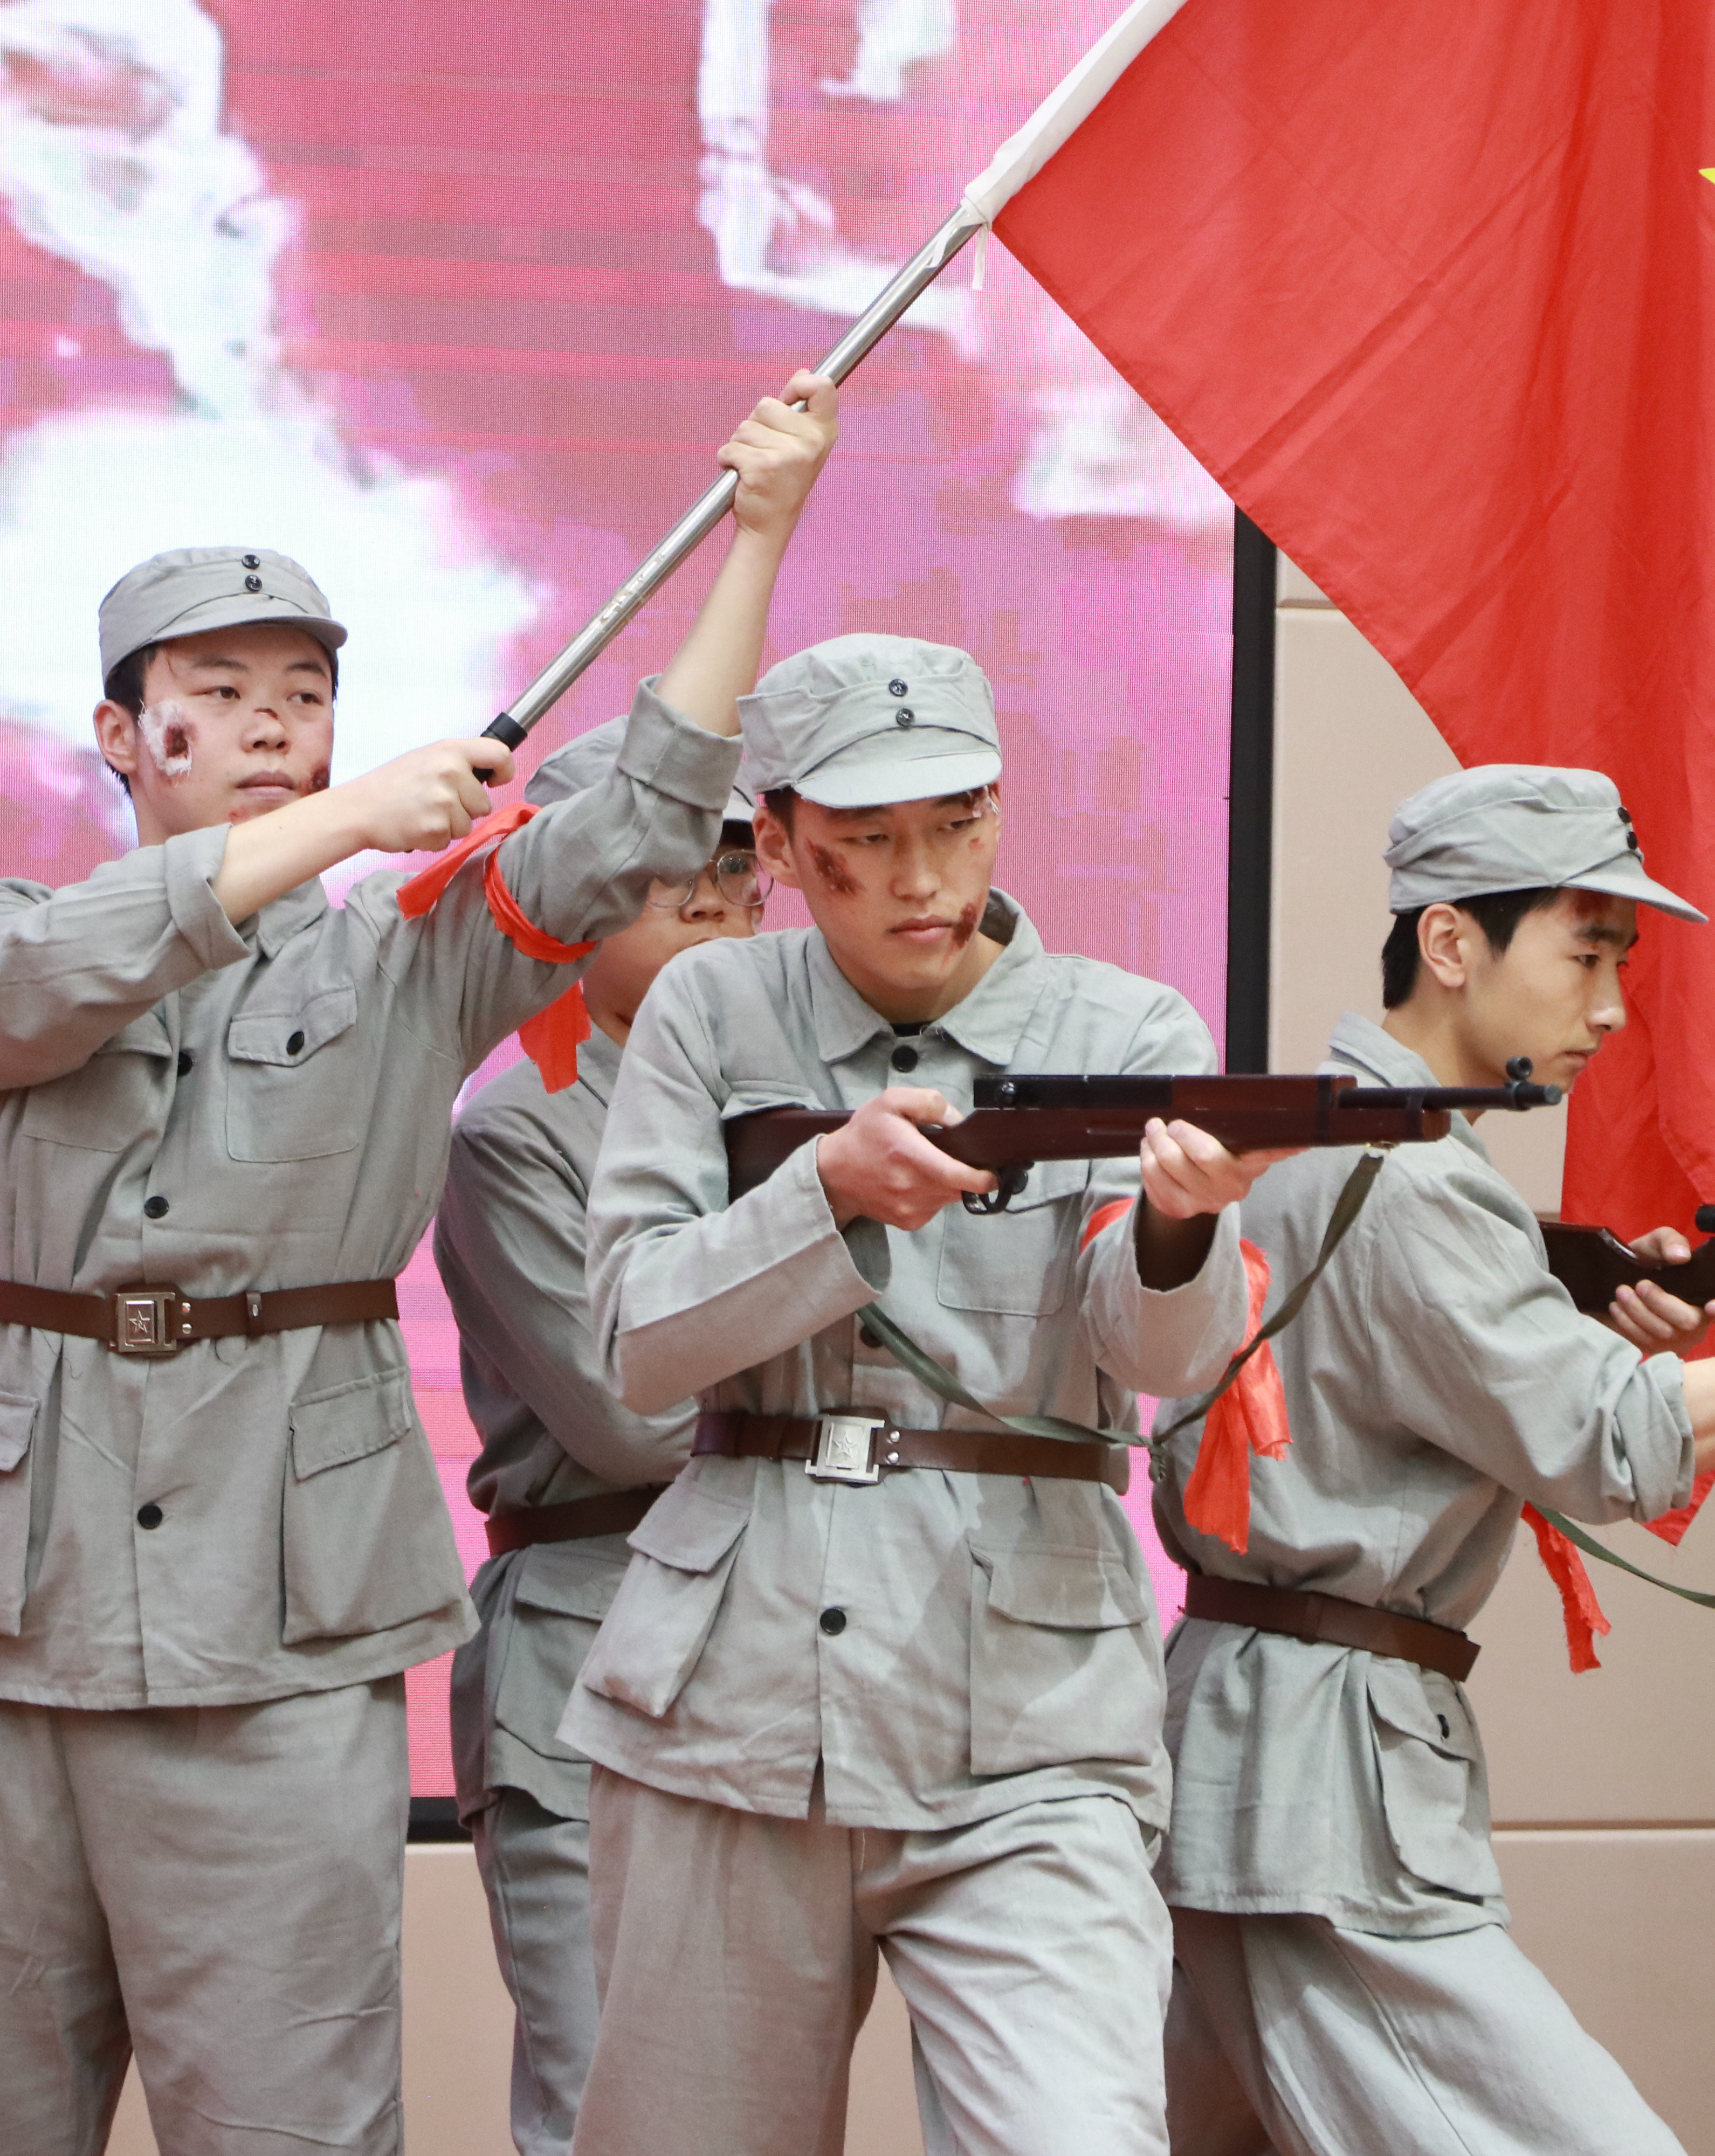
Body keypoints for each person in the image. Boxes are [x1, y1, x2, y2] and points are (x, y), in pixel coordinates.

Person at [0, 372, 838, 2156]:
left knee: (292, 2114)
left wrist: (757, 535)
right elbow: (51, 988)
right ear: (119, 733)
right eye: (220, 692)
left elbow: (639, 817)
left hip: (285, 1626)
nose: (271, 724)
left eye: (305, 697)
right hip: (9, 1621)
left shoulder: (407, 959)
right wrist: (357, 814)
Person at [1154, 764, 1715, 2156]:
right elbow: (1624, 1445)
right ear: (1450, 942)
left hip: (1273, 1757)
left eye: (1620, 962)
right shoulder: (1416, 1182)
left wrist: (1571, 1317)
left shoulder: (1336, 1137)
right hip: (1324, 1793)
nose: (1614, 1008)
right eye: (1586, 954)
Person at [559, 633, 1285, 2156]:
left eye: (957, 825)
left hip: (1033, 1723)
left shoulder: (1128, 1031)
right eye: (868, 840)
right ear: (777, 842)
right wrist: (823, 1193)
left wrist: (1181, 1225)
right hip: (726, 1705)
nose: (922, 878)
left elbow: (1162, 1366)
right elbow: (633, 1344)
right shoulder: (708, 1014)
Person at [431, 734, 768, 2156]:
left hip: (777, 1663)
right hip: (591, 1646)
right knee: (610, 2119)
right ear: (568, 901)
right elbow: (635, 1417)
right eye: (663, 866)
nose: (712, 897)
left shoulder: (804, 1112)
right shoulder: (517, 1127)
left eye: (740, 868)